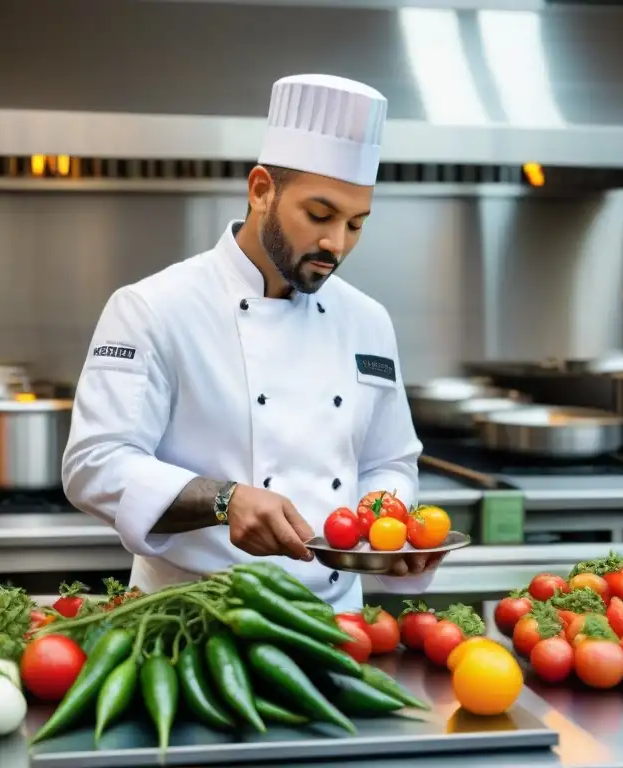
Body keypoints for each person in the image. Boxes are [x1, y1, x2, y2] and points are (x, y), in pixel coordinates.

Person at [62, 73, 442, 613]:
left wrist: (389, 528)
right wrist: (224, 500)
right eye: (319, 215)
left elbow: (390, 463)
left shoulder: (368, 320)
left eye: (357, 224)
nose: (335, 244)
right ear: (261, 189)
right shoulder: (154, 307)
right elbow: (94, 465)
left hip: (337, 624)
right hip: (192, 622)